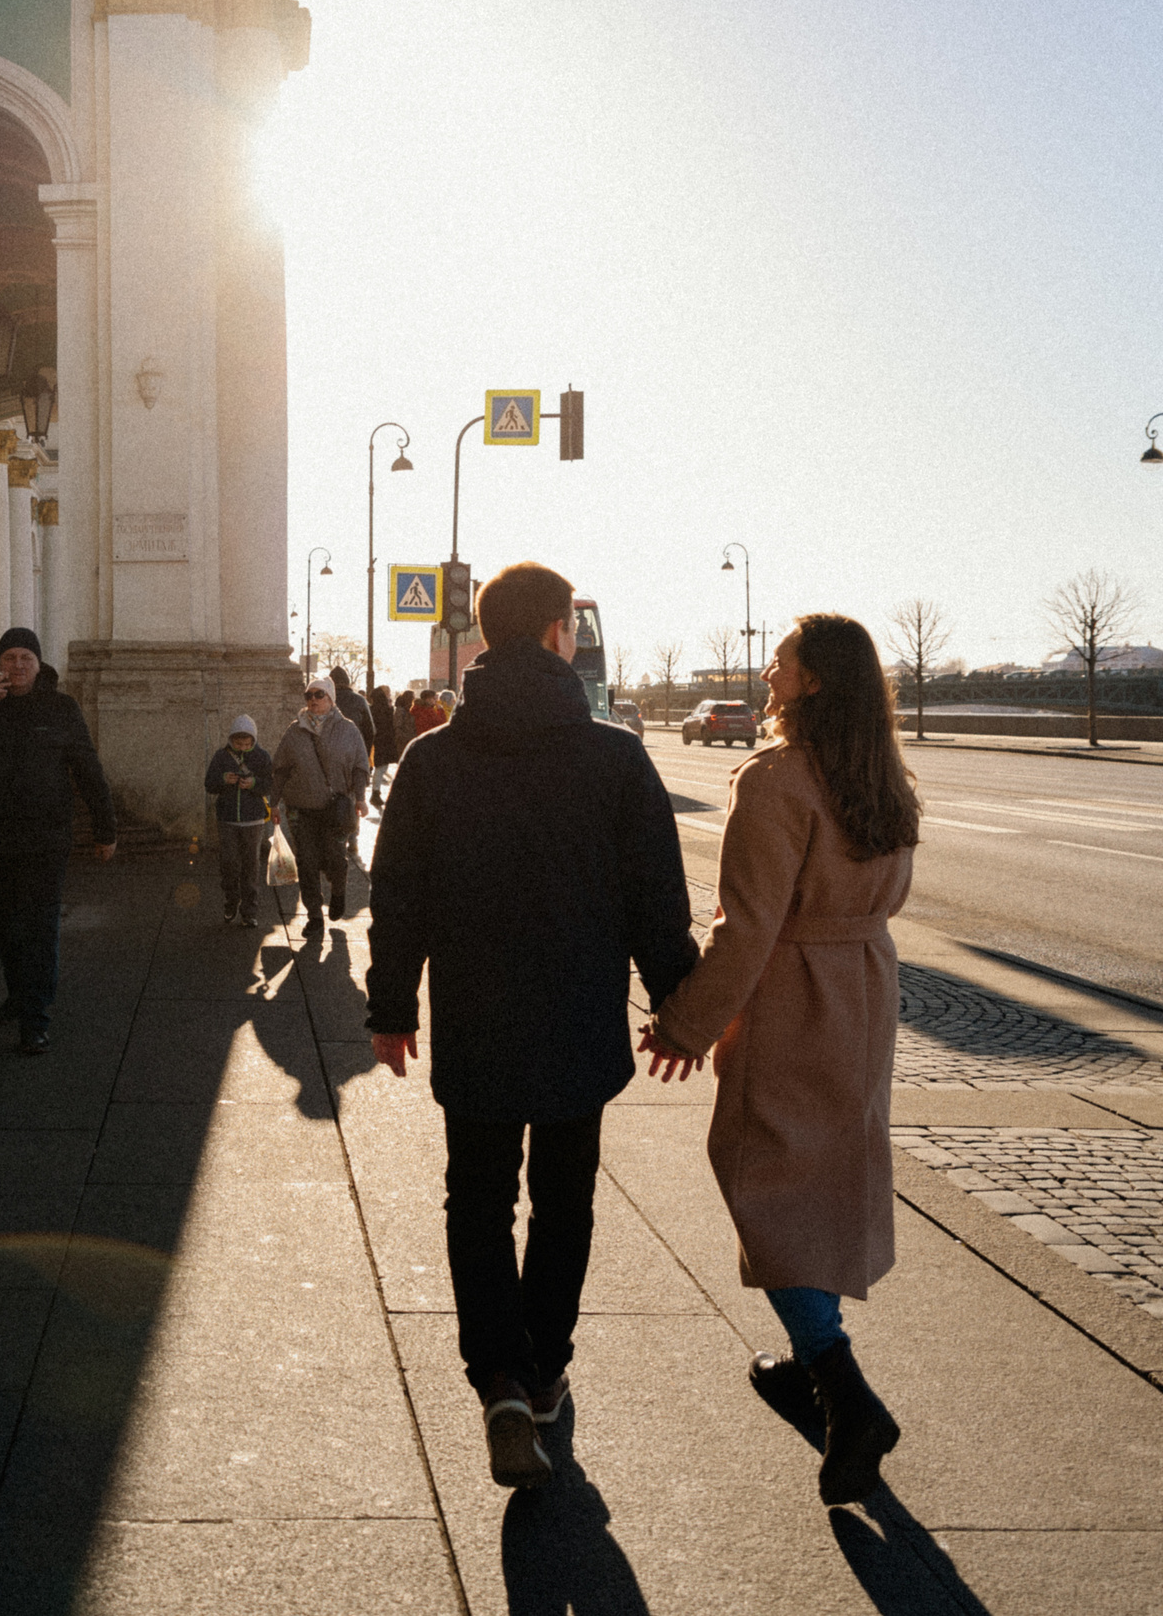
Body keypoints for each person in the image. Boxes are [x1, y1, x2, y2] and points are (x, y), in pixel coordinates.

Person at [365, 562, 698, 1491]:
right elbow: (656, 904)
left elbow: (400, 902)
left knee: (475, 1199)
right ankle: (543, 1366)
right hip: (578, 1024)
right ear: (561, 632)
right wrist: (679, 1008)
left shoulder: (433, 761)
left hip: (474, 1022)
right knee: (564, 1199)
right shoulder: (615, 758)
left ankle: (499, 1375)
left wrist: (391, 1009)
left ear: (479, 640)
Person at [639, 613, 922, 1506]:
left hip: (797, 993)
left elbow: (748, 925)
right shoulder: (882, 777)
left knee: (763, 1180)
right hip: (864, 988)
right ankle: (812, 1366)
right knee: (818, 1174)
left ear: (813, 681)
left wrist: (686, 1021)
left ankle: (843, 1392)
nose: (768, 668)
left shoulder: (776, 779)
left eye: (782, 659)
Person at [0, 627, 117, 1053]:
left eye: (25, 659)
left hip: (45, 838)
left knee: (38, 926)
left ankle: (35, 1017)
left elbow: (88, 770)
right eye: (9, 658)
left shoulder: (61, 708)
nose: (17, 666)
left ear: (38, 665)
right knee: (0, 924)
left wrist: (105, 828)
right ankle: (19, 991)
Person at [270, 679, 369, 934]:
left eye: (319, 694)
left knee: (336, 858)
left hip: (335, 810)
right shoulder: (295, 731)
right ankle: (314, 916)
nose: (313, 699)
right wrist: (273, 802)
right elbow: (280, 770)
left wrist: (360, 797)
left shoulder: (348, 730)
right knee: (307, 863)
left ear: (331, 699)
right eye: (309, 695)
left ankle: (338, 891)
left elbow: (360, 766)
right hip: (301, 810)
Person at [203, 713, 276, 927]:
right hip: (227, 820)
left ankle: (249, 911)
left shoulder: (262, 757)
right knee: (229, 863)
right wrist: (223, 779)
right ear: (231, 740)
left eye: (246, 743)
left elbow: (270, 784)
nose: (242, 747)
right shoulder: (221, 756)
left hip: (253, 820)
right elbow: (209, 784)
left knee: (251, 865)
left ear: (253, 740)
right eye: (238, 743)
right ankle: (231, 900)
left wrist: (253, 783)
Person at [329, 664, 376, 761]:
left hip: (330, 753)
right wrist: (364, 754)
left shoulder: (325, 700)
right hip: (355, 751)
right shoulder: (360, 700)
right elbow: (370, 730)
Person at [367, 684, 400, 804]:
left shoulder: (371, 708)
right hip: (384, 741)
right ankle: (375, 793)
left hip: (376, 740)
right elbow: (390, 724)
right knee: (381, 767)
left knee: (380, 767)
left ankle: (376, 792)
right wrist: (390, 709)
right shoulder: (385, 709)